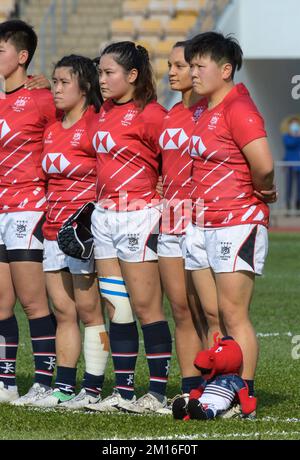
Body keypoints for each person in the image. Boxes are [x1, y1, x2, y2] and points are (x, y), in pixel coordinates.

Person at [183, 32, 276, 415]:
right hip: (203, 223)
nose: (193, 72)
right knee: (210, 313)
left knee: (233, 312)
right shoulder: (205, 109)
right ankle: (220, 383)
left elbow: (265, 165)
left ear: (225, 69)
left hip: (237, 221)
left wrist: (261, 190)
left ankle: (243, 395)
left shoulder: (239, 107)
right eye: (191, 65)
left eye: (199, 65)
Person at [87, 41, 172, 414]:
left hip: (139, 215)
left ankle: (156, 393)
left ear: (132, 75)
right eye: (100, 72)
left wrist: (163, 186)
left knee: (145, 307)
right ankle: (123, 392)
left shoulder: (152, 114)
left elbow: (176, 157)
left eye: (109, 73)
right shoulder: (103, 110)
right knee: (116, 307)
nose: (101, 79)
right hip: (105, 217)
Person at [31, 55, 109, 409]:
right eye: (55, 81)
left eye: (64, 83)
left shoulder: (97, 124)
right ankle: (63, 387)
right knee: (63, 312)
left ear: (85, 87)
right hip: (52, 232)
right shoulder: (52, 128)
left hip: (83, 234)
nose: (57, 89)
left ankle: (92, 388)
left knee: (91, 312)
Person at [157, 40, 222, 400]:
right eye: (171, 65)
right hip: (171, 215)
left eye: (181, 65)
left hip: (202, 216)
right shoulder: (169, 112)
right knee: (180, 309)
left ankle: (222, 383)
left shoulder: (211, 111)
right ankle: (190, 386)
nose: (174, 72)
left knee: (210, 310)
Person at [0, 20, 57, 404]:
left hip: (29, 209)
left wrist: (51, 87)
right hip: (1, 209)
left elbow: (78, 125)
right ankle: (5, 381)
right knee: (0, 302)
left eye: (0, 50)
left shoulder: (42, 99)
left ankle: (45, 381)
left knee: (34, 301)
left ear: (22, 57)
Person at [282, 117, 300, 210]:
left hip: (298, 165)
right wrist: (295, 136)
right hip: (289, 164)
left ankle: (298, 204)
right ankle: (288, 204)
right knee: (289, 186)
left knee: (299, 186)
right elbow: (289, 144)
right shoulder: (286, 136)